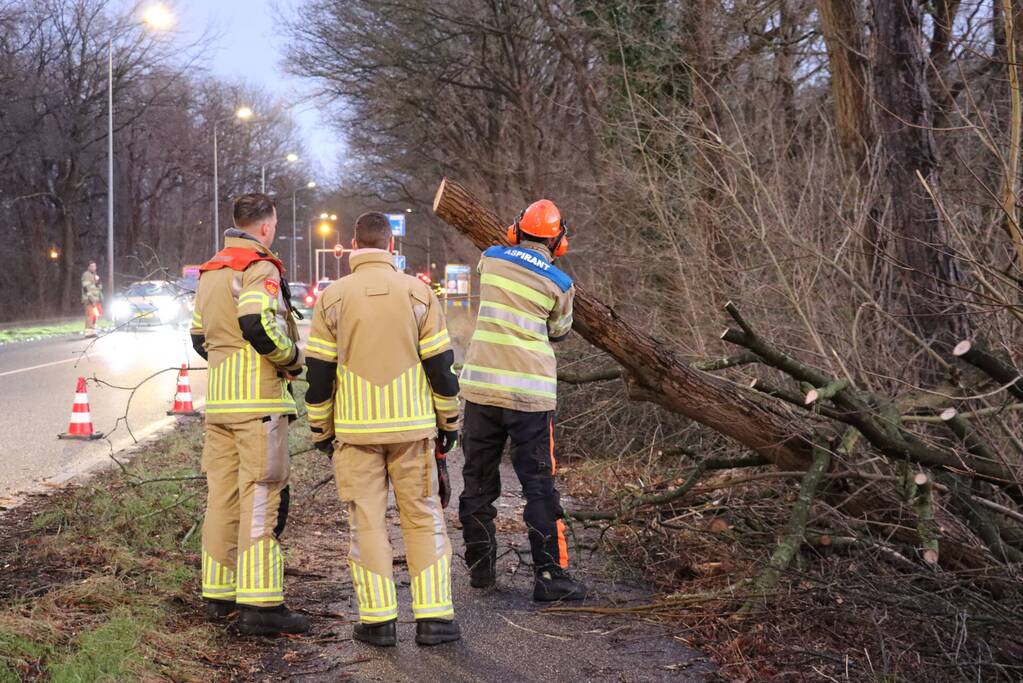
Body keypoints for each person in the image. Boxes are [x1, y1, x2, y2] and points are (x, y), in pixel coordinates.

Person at [305, 211, 461, 647]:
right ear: (391, 246)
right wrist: (448, 422)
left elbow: (318, 374)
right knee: (423, 518)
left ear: (354, 245)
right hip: (413, 431)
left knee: (367, 524)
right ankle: (435, 620)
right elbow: (441, 369)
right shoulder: (419, 293)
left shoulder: (332, 298)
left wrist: (321, 428)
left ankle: (378, 622)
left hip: (355, 434)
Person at [189, 193, 308, 636]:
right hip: (258, 404)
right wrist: (292, 359)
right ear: (264, 227)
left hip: (219, 403)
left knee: (222, 499)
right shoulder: (259, 267)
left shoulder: (211, 270)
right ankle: (261, 605)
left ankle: (218, 596)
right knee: (260, 496)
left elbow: (199, 337)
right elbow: (257, 322)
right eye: (273, 226)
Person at [457, 199, 586, 602]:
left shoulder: (490, 259)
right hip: (530, 396)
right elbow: (559, 331)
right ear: (559, 242)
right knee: (539, 487)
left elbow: (503, 253)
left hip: (480, 391)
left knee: (478, 481)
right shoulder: (561, 285)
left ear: (515, 230)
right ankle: (550, 577)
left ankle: (481, 571)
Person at [81, 261, 102, 336]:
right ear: (88, 267)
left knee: (95, 315)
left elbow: (99, 287)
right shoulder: (86, 275)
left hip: (96, 299)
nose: (94, 268)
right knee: (90, 316)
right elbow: (86, 288)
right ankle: (89, 333)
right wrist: (91, 299)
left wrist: (98, 281)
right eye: (92, 266)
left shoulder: (95, 275)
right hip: (89, 300)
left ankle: (93, 331)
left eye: (95, 266)